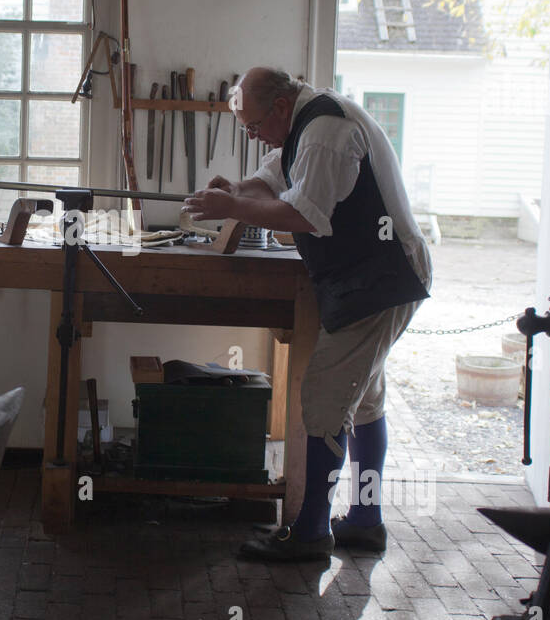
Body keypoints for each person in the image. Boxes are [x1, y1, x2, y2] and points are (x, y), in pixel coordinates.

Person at [184, 67, 432, 561]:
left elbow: (302, 215)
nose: (251, 136)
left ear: (280, 106)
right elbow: (271, 180)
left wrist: (231, 205)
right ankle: (365, 520)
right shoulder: (303, 124)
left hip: (381, 280)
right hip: (371, 279)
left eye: (253, 126)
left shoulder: (324, 131)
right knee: (363, 404)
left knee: (321, 402)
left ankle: (311, 533)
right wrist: (235, 191)